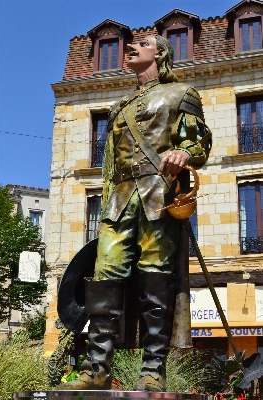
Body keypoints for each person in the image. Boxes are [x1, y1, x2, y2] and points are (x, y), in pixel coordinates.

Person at [61, 34, 211, 392]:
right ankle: (97, 368)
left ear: (159, 54)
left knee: (155, 280)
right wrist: (107, 197)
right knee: (104, 277)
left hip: (158, 198)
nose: (130, 47)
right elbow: (110, 167)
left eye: (141, 43)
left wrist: (184, 153)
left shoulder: (181, 95)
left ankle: (153, 369)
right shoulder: (119, 106)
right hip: (119, 201)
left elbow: (200, 143)